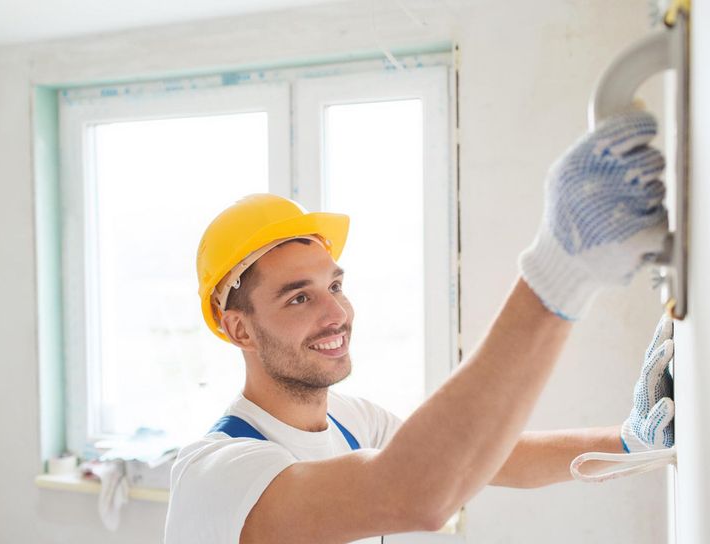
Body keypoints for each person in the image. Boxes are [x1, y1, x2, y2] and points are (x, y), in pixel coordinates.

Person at [164, 110, 675, 544]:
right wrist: (559, 269)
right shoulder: (215, 475)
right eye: (299, 297)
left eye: (335, 286)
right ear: (240, 330)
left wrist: (627, 443)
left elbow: (482, 455)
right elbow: (414, 492)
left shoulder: (352, 421)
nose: (336, 313)